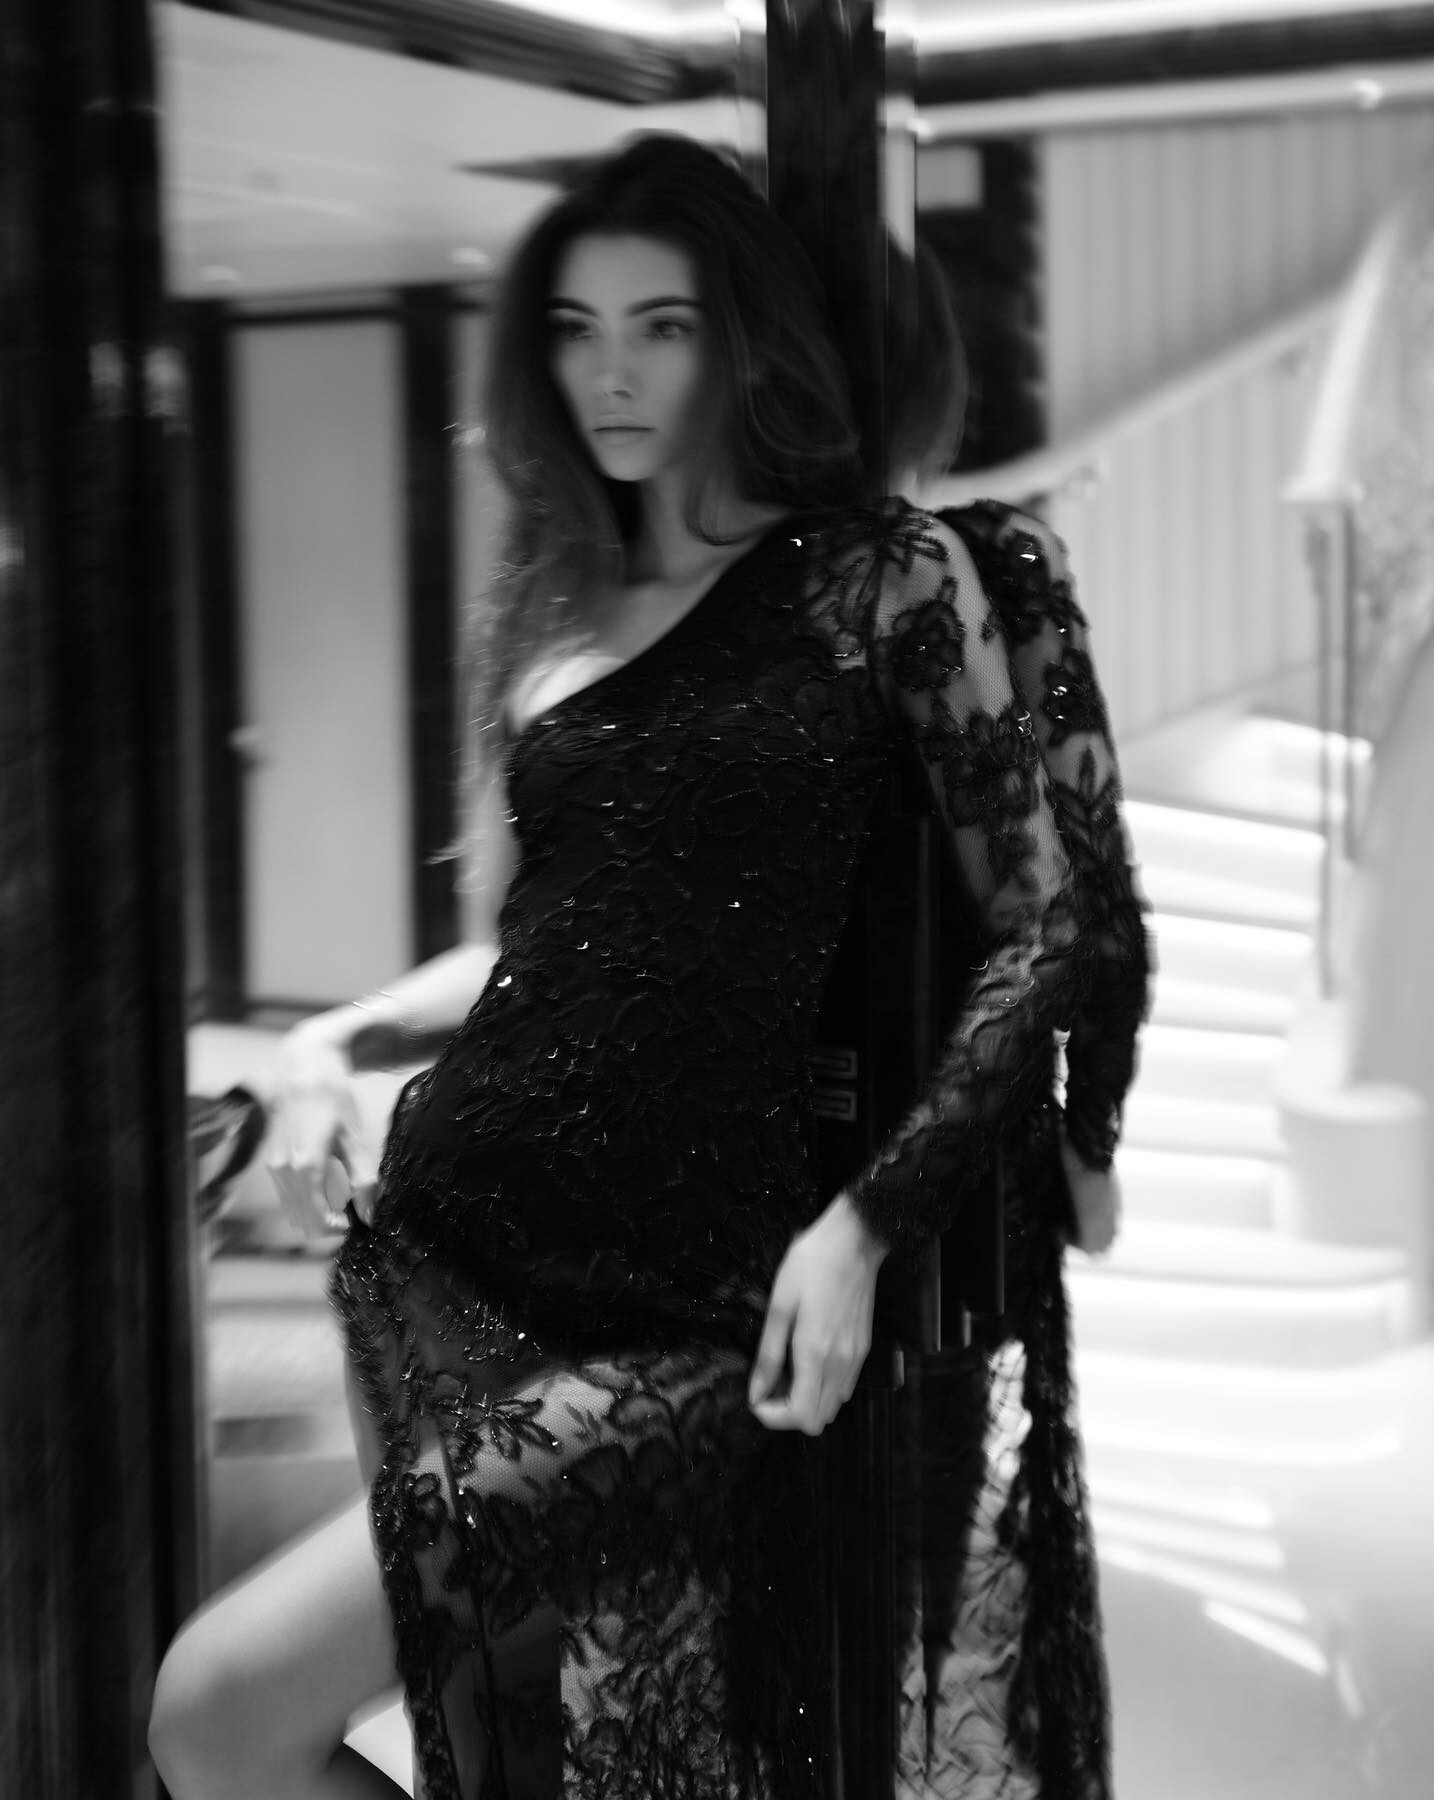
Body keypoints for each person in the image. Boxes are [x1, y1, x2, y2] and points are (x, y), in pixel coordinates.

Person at [150, 134, 1105, 1800]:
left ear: (740, 343)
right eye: (578, 330)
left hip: (691, 1315)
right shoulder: (549, 606)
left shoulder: (884, 578)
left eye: (662, 327)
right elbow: (521, 947)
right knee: (500, 1762)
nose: (613, 373)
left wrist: (865, 1224)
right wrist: (329, 1040)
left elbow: (1045, 931)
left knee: (216, 1712)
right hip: (441, 1261)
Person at [877, 230, 1152, 1799]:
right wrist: (1089, 1140)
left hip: (900, 1180)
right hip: (931, 1186)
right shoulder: (996, 563)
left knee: (866, 1602)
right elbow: (1098, 899)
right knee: (898, 1607)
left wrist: (1085, 1133)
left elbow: (1086, 907)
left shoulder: (958, 567)